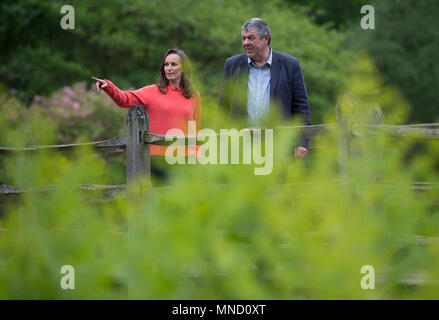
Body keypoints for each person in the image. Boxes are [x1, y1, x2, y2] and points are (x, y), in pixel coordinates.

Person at [93, 48, 201, 184]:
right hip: (157, 160)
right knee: (159, 201)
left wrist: (196, 152)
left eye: (174, 64)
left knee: (185, 203)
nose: (169, 68)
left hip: (185, 160)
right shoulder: (152, 92)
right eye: (166, 65)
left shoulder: (193, 95)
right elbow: (124, 99)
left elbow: (195, 127)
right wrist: (108, 86)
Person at [218, 18, 310, 158]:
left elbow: (300, 107)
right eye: (243, 38)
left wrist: (302, 141)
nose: (246, 43)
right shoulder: (232, 65)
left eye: (251, 38)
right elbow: (223, 107)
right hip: (240, 147)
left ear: (265, 38)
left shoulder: (290, 65)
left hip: (278, 146)